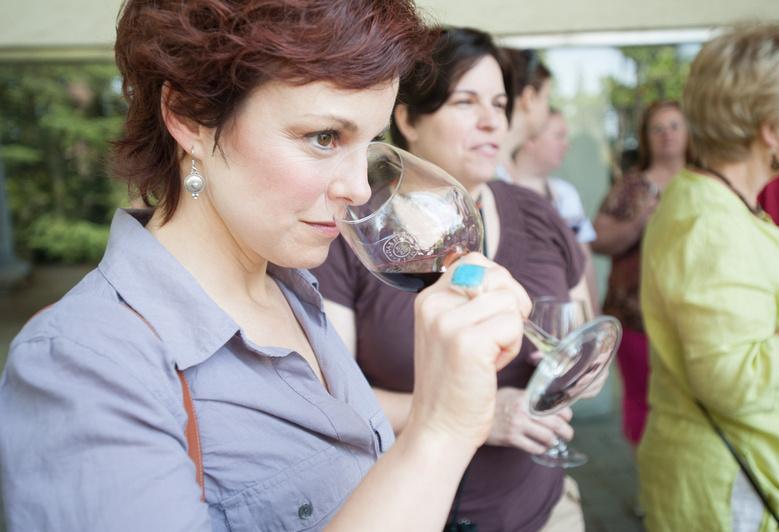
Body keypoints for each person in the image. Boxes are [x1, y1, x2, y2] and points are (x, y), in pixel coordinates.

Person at [0, 3, 535, 531]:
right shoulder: (84, 365)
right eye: (324, 138)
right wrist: (437, 432)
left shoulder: (294, 291)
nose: (359, 188)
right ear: (189, 116)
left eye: (371, 142)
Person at [313, 27, 597, 532]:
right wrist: (483, 417)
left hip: (547, 512)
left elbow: (581, 329)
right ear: (407, 119)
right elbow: (331, 402)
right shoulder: (351, 237)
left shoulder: (539, 214)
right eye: (466, 102)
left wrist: (580, 371)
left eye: (500, 104)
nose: (491, 121)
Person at [638, 23, 779, 531]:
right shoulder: (711, 222)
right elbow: (732, 382)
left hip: (741, 475)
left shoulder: (719, 201)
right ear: (772, 127)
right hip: (732, 489)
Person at [591, 100, 689, 446]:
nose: (667, 135)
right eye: (657, 128)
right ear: (646, 137)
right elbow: (596, 239)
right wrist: (639, 223)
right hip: (635, 314)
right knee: (641, 399)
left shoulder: (703, 181)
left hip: (690, 315)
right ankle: (646, 472)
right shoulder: (631, 186)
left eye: (674, 126)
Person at [513, 107, 599, 312]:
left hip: (564, 314)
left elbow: (584, 260)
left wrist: (593, 313)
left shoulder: (565, 194)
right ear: (530, 139)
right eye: (558, 136)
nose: (566, 144)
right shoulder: (494, 188)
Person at [495, 47, 552, 182]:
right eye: (547, 98)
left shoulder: (505, 168)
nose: (548, 110)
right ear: (529, 98)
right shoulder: (489, 171)